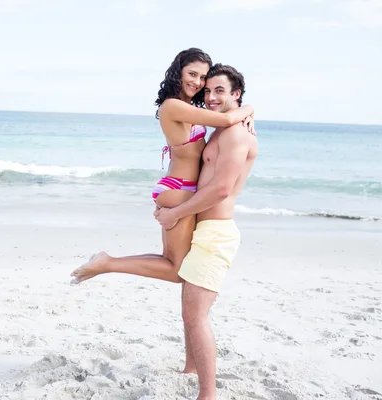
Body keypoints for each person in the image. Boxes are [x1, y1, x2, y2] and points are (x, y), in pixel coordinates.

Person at [69, 48, 255, 374]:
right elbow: (227, 118)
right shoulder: (173, 105)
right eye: (194, 74)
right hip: (177, 191)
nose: (199, 83)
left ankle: (189, 367)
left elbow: (224, 122)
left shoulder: (190, 108)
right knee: (176, 270)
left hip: (179, 191)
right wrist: (248, 108)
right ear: (178, 72)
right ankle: (107, 262)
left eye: (204, 78)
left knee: (178, 271)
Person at [154, 63, 258, 400]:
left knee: (195, 315)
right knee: (189, 308)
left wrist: (175, 213)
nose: (210, 97)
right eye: (208, 90)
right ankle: (191, 368)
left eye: (219, 91)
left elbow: (220, 190)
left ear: (236, 95)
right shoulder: (220, 130)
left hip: (216, 233)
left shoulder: (238, 134)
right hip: (203, 227)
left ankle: (208, 394)